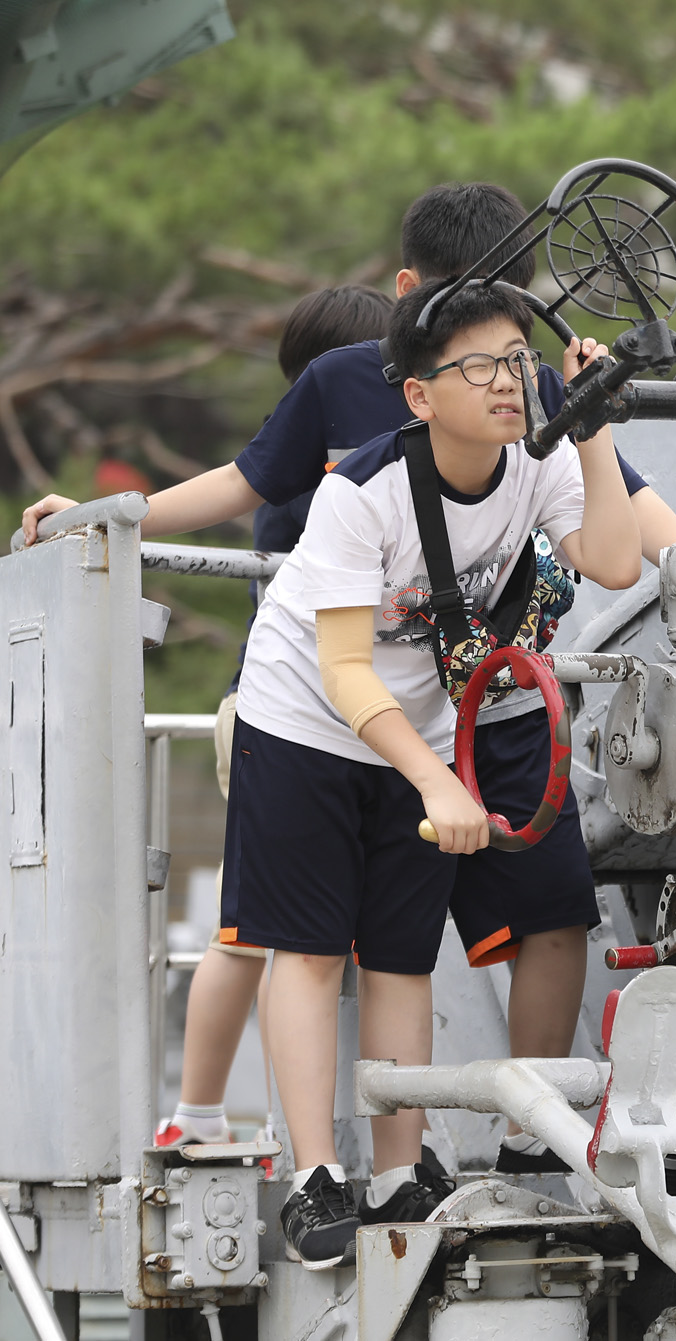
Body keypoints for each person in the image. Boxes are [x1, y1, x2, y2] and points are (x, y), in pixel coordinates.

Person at [22, 183, 676, 1174]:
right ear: (412, 326)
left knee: (527, 920)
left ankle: (517, 1137)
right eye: (469, 335)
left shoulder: (536, 409)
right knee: (292, 940)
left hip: (485, 703)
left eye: (512, 331)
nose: (501, 365)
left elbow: (626, 528)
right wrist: (109, 514)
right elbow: (248, 485)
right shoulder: (355, 442)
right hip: (337, 712)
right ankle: (287, 1152)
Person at [225, 278, 639, 1269]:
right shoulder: (359, 492)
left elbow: (617, 564)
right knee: (312, 948)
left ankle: (403, 1168)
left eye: (517, 363)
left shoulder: (534, 467)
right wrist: (435, 782)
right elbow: (340, 666)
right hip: (305, 723)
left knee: (401, 954)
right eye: (480, 367)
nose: (508, 384)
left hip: (412, 729)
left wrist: (590, 430)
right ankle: (319, 1178)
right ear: (419, 395)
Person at [154, 284, 394, 1152]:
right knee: (255, 934)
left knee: (283, 938)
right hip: (285, 721)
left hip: (320, 720)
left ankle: (222, 1112)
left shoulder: (320, 464)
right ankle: (201, 1110)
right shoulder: (324, 473)